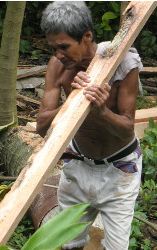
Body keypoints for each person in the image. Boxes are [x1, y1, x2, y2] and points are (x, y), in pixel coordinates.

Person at [37, 2, 143, 249]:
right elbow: (42, 127)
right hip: (77, 164)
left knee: (117, 246)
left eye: (64, 47)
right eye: (53, 48)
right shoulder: (58, 67)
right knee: (69, 244)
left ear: (86, 37)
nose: (58, 55)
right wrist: (74, 100)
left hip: (119, 169)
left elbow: (127, 128)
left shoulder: (124, 62)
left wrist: (101, 111)